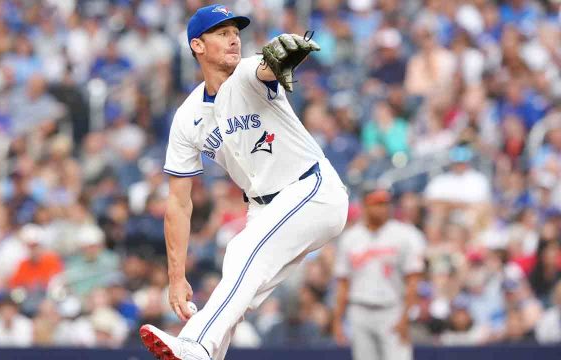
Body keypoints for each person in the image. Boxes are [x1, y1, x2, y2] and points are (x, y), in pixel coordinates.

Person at [138, 4, 350, 360]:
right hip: (264, 208)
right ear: (197, 46)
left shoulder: (249, 72)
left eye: (236, 32)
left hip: (312, 190)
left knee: (241, 253)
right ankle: (205, 353)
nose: (234, 39)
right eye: (222, 33)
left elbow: (268, 67)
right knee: (239, 285)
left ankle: (196, 344)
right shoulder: (188, 116)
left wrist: (281, 59)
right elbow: (178, 202)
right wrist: (176, 278)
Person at [332, 188, 424, 360]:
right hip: (359, 309)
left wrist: (405, 317)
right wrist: (337, 321)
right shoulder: (350, 238)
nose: (382, 209)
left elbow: (413, 281)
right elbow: (343, 283)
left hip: (392, 309)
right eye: (376, 204)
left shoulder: (404, 235)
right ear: (364, 207)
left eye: (385, 204)